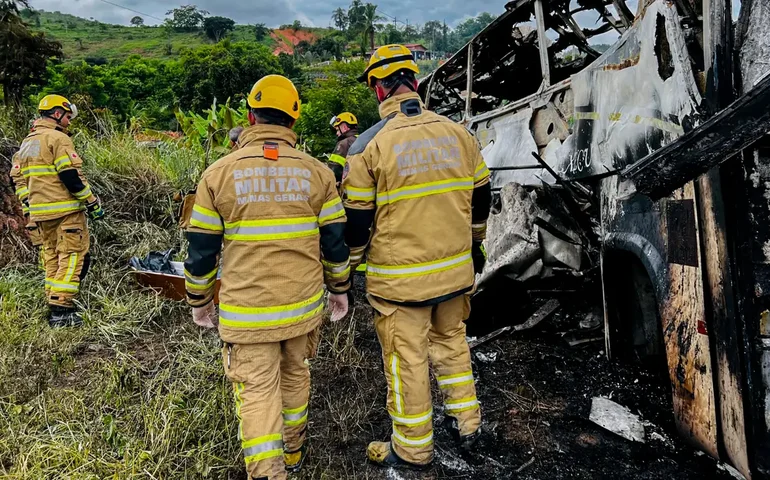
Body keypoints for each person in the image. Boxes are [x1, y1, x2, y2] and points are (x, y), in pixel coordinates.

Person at [184, 74, 351, 480]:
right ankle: (292, 454)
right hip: (302, 309)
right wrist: (340, 291)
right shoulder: (318, 173)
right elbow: (335, 243)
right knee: (295, 377)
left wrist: (199, 300)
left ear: (250, 116)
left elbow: (201, 251)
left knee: (258, 392)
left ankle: (268, 473)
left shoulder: (217, 174)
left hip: (247, 314)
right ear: (293, 121)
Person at [342, 44, 492, 469]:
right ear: (416, 82)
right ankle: (467, 423)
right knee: (451, 344)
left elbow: (357, 222)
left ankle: (412, 449)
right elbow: (482, 198)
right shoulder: (459, 134)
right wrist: (475, 244)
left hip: (400, 283)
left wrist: (350, 268)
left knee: (407, 361)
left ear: (377, 89)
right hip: (455, 273)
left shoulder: (367, 148)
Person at [10, 94, 104, 328]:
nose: (69, 122)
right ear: (56, 113)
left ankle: (53, 300)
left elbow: (18, 181)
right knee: (73, 256)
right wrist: (92, 203)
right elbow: (70, 177)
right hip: (65, 212)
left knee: (52, 257)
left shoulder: (27, 142)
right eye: (67, 116)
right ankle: (62, 310)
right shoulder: (57, 138)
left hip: (40, 214)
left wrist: (29, 206)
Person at [327, 112, 358, 187]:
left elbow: (334, 169)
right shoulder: (361, 139)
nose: (337, 133)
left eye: (337, 130)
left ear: (344, 127)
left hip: (348, 188)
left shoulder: (344, 143)